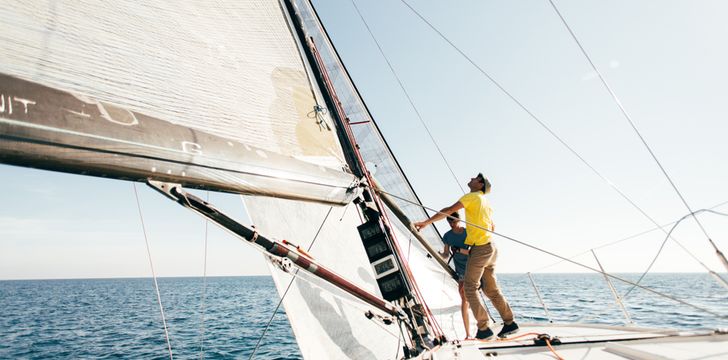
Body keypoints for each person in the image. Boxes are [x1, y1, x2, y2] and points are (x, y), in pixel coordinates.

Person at [415, 173, 518, 340]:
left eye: (476, 177)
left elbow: (448, 211)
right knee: (491, 289)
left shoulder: (472, 196)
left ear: (480, 184)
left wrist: (425, 223)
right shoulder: (485, 200)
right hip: (491, 247)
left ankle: (484, 328)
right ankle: (510, 322)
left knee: (469, 288)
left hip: (480, 249)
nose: (472, 177)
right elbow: (492, 225)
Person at [440, 212, 473, 339]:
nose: (451, 224)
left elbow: (474, 251)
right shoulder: (447, 236)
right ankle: (468, 334)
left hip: (473, 267)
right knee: (463, 297)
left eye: (453, 221)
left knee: (470, 296)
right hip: (460, 270)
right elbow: (446, 254)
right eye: (449, 222)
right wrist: (438, 254)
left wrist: (459, 250)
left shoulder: (468, 232)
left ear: (459, 220)